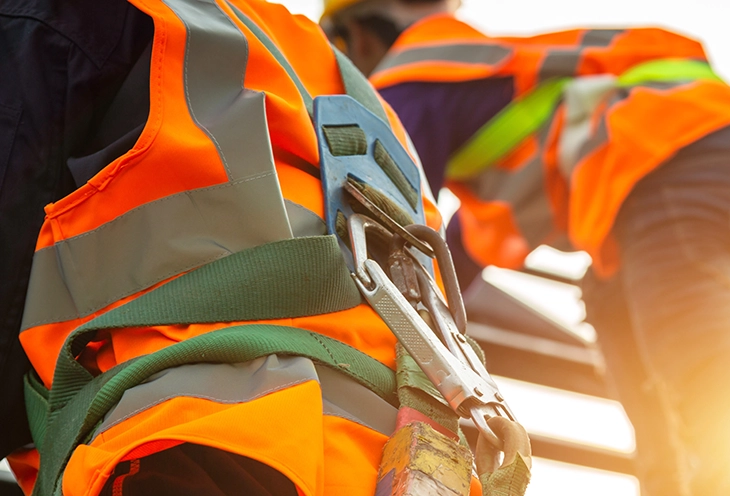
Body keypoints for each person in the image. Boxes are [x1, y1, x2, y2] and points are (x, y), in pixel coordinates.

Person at [0, 0, 527, 494]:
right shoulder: (379, 122)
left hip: (207, 443)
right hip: (382, 467)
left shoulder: (84, 22)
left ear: (359, 30)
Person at [322, 1, 730, 494]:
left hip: (680, 162)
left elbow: (380, 217)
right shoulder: (477, 82)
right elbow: (448, 263)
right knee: (613, 301)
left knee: (703, 372)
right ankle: (681, 481)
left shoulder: (413, 74)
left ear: (356, 36)